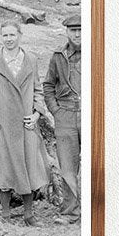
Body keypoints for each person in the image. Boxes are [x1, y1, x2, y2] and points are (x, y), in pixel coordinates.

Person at [0, 22, 51, 226]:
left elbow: (38, 89)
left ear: (20, 35)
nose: (9, 38)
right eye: (5, 35)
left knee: (29, 166)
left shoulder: (30, 59)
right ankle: (5, 215)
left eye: (12, 34)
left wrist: (37, 114)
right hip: (3, 124)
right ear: (1, 37)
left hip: (26, 124)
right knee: (6, 168)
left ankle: (29, 215)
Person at [43, 13, 82, 223]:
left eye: (81, 30)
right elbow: (48, 85)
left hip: (91, 113)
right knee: (67, 166)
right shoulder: (58, 55)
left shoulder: (98, 50)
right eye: (73, 30)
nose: (77, 34)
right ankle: (70, 212)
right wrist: (55, 111)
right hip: (65, 115)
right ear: (66, 32)